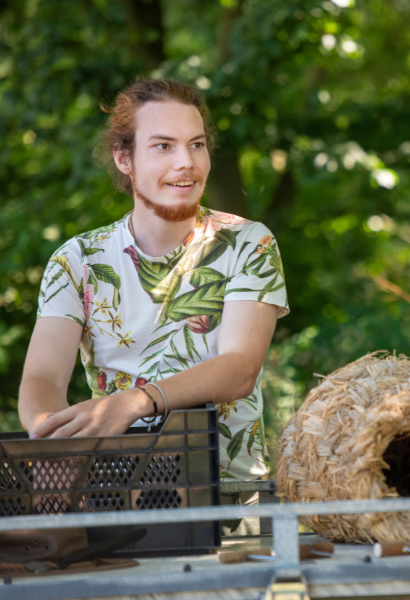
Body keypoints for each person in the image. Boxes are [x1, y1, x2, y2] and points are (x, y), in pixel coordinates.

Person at [18, 79, 288, 491]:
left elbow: (239, 369)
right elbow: (41, 380)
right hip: (115, 491)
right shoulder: (77, 260)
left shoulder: (247, 242)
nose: (187, 162)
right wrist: (57, 449)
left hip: (230, 496)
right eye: (164, 146)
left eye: (196, 145)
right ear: (124, 158)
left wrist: (136, 401)